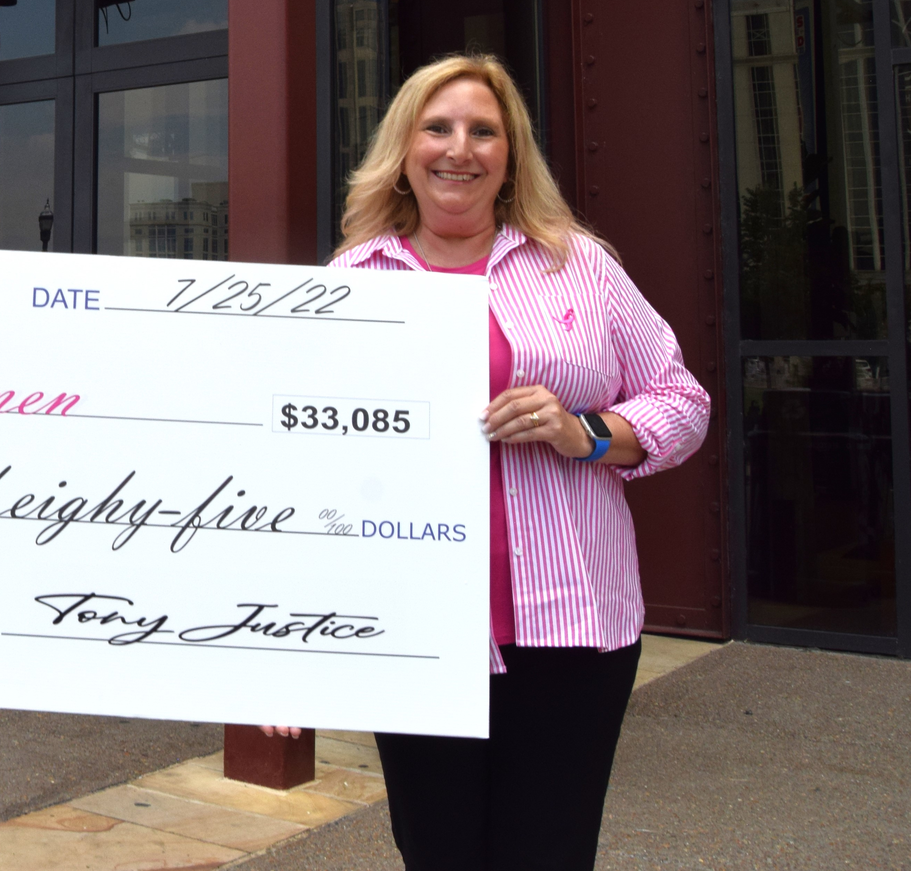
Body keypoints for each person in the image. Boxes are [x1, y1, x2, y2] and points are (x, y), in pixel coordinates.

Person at [267, 54, 709, 871]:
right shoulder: (351, 282)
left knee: (548, 852)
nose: (458, 148)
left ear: (511, 155)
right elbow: (310, 466)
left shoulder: (579, 263)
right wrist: (291, 644)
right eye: (437, 128)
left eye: (483, 130)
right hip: (418, 625)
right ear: (403, 150)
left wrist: (588, 431)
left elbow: (682, 401)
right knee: (437, 852)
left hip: (572, 626)